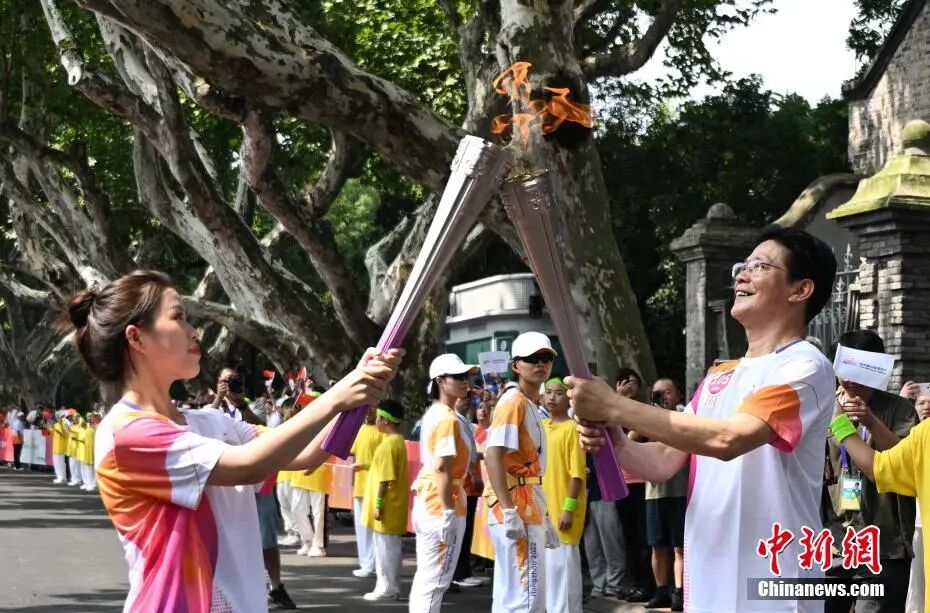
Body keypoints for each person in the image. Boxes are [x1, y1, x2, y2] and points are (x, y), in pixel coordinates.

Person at [62, 270, 402, 611]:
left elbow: (306, 454)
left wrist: (361, 393)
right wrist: (337, 397)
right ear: (136, 338)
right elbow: (248, 466)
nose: (193, 331)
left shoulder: (210, 421)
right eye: (178, 317)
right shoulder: (126, 434)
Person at [570, 226, 837, 613]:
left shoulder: (805, 367)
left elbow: (729, 439)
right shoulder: (719, 376)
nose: (742, 276)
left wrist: (614, 406)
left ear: (800, 290)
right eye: (742, 266)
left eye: (760, 266)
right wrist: (618, 440)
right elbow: (661, 462)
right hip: (710, 578)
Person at [822, 329, 916, 613]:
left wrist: (871, 421)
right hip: (834, 541)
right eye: (844, 370)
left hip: (883, 544)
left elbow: (905, 461)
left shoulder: (899, 409)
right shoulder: (824, 406)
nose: (850, 380)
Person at [484, 331, 560, 613]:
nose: (540, 364)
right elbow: (494, 454)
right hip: (516, 506)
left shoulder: (529, 404)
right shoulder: (514, 402)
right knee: (526, 598)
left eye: (545, 358)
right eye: (531, 359)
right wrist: (509, 510)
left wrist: (544, 514)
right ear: (516, 365)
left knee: (514, 596)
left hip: (526, 503)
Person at [409, 354, 475, 611]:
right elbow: (441, 467)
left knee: (427, 579)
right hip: (441, 504)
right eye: (457, 376)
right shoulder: (446, 418)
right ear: (440, 381)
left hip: (431, 501)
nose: (464, 381)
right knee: (435, 582)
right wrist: (448, 511)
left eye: (465, 376)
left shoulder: (437, 414)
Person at [541, 377, 586, 612]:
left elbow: (577, 475)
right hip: (543, 514)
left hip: (563, 513)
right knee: (549, 578)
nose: (551, 397)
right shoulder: (542, 428)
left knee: (564, 578)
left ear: (567, 397)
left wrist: (569, 508)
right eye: (548, 392)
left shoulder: (572, 429)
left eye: (558, 393)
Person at [643, 378, 688, 612]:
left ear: (678, 395)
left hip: (679, 491)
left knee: (679, 546)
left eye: (667, 392)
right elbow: (630, 439)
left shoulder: (686, 418)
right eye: (657, 393)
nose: (663, 397)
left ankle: (679, 592)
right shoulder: (646, 420)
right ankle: (661, 591)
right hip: (654, 492)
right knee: (657, 546)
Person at [362, 399, 409, 602]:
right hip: (393, 506)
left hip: (388, 507)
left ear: (385, 420)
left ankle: (388, 588)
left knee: (385, 551)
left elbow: (385, 479)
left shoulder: (389, 445)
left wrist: (379, 505)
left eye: (379, 417)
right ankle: (388, 586)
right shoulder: (397, 441)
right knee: (388, 549)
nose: (376, 420)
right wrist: (364, 466)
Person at [451, 392, 484, 589]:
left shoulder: (464, 421)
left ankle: (461, 571)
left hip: (468, 485)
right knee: (461, 530)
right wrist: (475, 474)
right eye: (462, 398)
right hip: (464, 484)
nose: (466, 401)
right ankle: (459, 573)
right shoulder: (454, 420)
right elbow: (466, 454)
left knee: (466, 529)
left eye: (469, 399)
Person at [350, 407, 384, 578]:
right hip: (360, 487)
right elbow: (351, 451)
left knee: (375, 528)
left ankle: (375, 564)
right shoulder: (360, 430)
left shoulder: (382, 433)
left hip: (376, 487)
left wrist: (365, 466)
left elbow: (383, 463)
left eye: (372, 409)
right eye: (366, 409)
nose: (368, 412)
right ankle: (366, 563)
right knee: (362, 528)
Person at [906, 392, 930, 613]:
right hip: (914, 522)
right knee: (915, 584)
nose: (926, 407)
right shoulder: (908, 436)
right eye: (921, 402)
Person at [80, 413, 98, 491]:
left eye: (90, 417)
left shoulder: (96, 426)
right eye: (88, 417)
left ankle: (93, 483)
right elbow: (81, 424)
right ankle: (88, 483)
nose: (89, 418)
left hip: (94, 448)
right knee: (87, 466)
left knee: (93, 466)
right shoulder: (86, 426)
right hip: (86, 448)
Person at [66, 411, 84, 486]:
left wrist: (69, 429)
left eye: (76, 417)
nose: (75, 419)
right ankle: (74, 478)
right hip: (71, 447)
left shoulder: (80, 426)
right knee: (72, 464)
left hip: (77, 447)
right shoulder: (72, 426)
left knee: (77, 464)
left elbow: (78, 432)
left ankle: (78, 479)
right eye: (74, 418)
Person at [51, 412, 70, 483]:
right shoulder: (55, 425)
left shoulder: (64, 424)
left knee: (61, 463)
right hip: (55, 446)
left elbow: (67, 434)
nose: (58, 418)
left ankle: (62, 477)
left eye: (60, 417)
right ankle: (59, 476)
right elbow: (52, 433)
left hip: (61, 447)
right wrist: (48, 427)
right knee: (56, 463)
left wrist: (62, 426)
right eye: (57, 417)